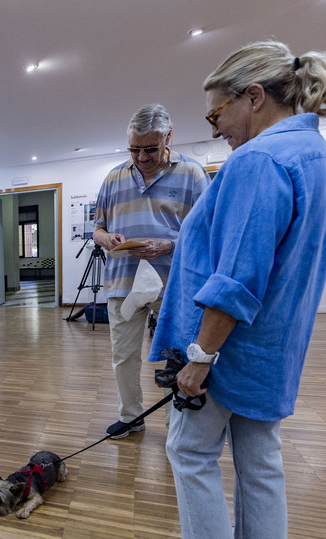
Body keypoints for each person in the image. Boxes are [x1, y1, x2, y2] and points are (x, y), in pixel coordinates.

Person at [150, 41, 326, 539]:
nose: (214, 127)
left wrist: (199, 357)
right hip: (277, 347)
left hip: (230, 349)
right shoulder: (319, 158)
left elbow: (238, 276)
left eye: (215, 113)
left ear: (253, 96)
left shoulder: (258, 161)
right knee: (259, 459)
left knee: (189, 451)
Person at [92, 104, 208, 439]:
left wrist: (167, 245)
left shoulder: (193, 175)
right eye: (134, 149)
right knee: (123, 355)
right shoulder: (113, 177)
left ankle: (177, 424)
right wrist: (107, 239)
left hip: (173, 285)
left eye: (150, 149)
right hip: (123, 283)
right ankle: (131, 417)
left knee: (172, 357)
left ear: (169, 137)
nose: (142, 157)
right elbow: (97, 228)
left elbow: (205, 232)